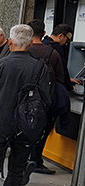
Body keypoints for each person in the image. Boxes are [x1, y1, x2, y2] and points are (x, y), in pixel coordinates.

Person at [0, 24, 50, 186]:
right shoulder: (39, 68)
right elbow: (46, 99)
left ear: (10, 41)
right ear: (31, 42)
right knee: (16, 169)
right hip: (26, 125)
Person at [29, 23, 79, 175]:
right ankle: (36, 161)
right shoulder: (55, 50)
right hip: (48, 97)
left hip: (32, 95)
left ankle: (30, 159)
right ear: (61, 36)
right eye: (67, 40)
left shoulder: (35, 48)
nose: (66, 43)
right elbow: (60, 74)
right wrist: (70, 87)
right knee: (44, 129)